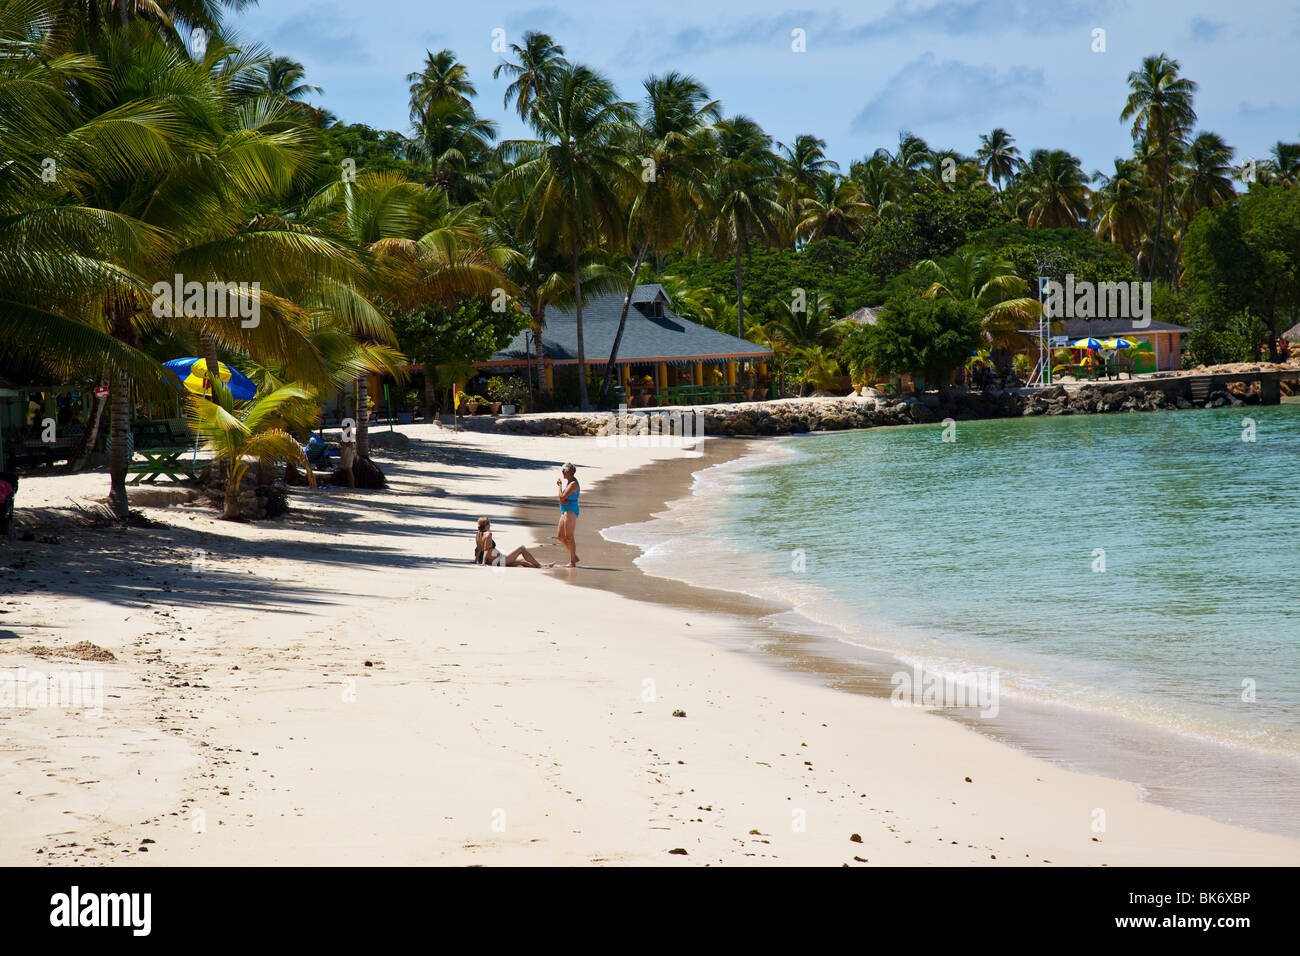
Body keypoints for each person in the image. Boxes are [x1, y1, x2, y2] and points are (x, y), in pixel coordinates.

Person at [474, 517, 550, 568]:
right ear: (487, 525)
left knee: (523, 562)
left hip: (495, 561)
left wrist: (475, 560)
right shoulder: (488, 534)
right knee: (522, 548)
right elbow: (486, 549)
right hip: (501, 560)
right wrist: (483, 562)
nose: (490, 525)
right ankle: (540, 566)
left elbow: (479, 549)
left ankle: (543, 566)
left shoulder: (478, 534)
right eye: (489, 524)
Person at [555, 463, 580, 567]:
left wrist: (560, 486)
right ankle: (574, 556)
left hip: (571, 511)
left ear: (569, 472)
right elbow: (562, 499)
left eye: (564, 471)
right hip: (565, 510)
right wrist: (562, 500)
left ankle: (572, 562)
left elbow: (562, 497)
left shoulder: (573, 484)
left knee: (569, 537)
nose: (562, 473)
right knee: (560, 536)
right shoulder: (569, 482)